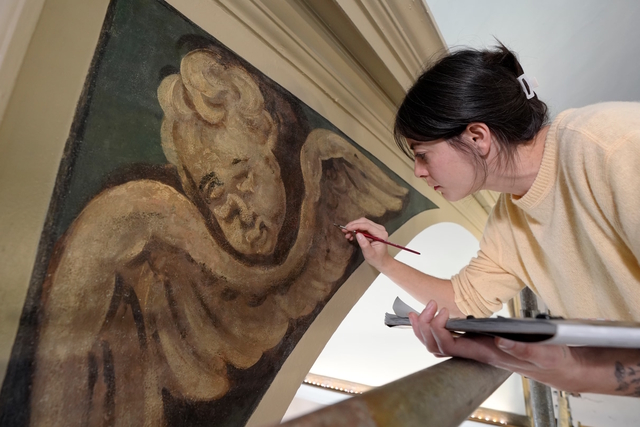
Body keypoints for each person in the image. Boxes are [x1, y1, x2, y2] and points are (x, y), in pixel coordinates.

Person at [29, 48, 410, 426]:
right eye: (215, 196)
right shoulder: (159, 242)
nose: (240, 212)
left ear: (272, 151)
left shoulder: (317, 177)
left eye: (243, 178)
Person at [343, 43, 640, 397]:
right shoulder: (507, 220)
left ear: (477, 137)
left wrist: (573, 373)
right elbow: (464, 300)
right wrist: (383, 260)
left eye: (423, 155)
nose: (418, 171)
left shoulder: (613, 147)